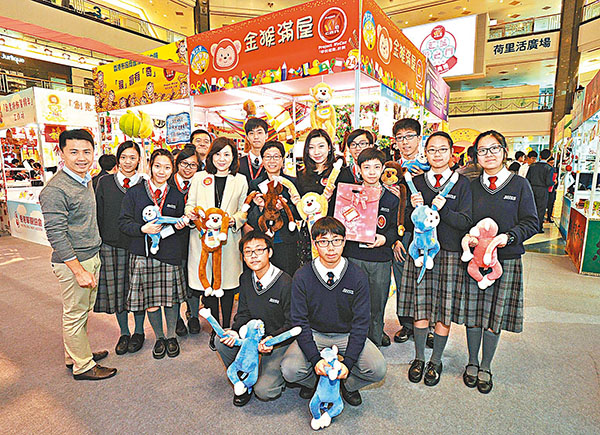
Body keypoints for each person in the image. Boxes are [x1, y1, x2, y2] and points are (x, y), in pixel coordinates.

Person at [459, 130, 538, 394]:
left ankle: (486, 366)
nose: (489, 154)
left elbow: (532, 222)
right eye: (482, 150)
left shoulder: (520, 185)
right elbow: (465, 219)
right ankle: (472, 361)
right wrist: (468, 236)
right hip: (476, 260)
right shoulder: (471, 186)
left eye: (494, 148)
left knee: (495, 314)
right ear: (476, 156)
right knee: (473, 313)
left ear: (504, 151)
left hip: (506, 260)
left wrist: (509, 236)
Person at [281, 217, 386, 407]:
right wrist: (315, 360)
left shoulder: (357, 275)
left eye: (336, 240)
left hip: (346, 334)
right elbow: (299, 321)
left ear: (344, 242)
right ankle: (316, 382)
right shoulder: (302, 275)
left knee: (377, 369)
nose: (330, 248)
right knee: (290, 370)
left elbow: (361, 322)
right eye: (323, 241)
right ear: (315, 244)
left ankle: (346, 384)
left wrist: (348, 363)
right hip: (315, 333)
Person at [39, 129, 116, 380]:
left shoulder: (85, 180)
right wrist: (78, 270)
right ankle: (83, 366)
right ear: (61, 153)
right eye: (73, 152)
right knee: (74, 314)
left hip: (89, 256)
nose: (81, 157)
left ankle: (75, 355)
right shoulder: (55, 189)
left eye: (86, 151)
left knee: (81, 312)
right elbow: (56, 235)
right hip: (75, 262)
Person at [397, 131, 472, 387]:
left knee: (443, 310)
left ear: (452, 153)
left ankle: (436, 360)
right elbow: (407, 222)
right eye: (432, 150)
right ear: (425, 153)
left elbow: (465, 220)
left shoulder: (462, 183)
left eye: (442, 149)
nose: (437, 154)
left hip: (449, 253)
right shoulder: (416, 182)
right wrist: (414, 208)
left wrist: (444, 209)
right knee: (420, 306)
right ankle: (419, 357)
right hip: (420, 253)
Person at [119, 149, 188, 359]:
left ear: (172, 169)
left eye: (167, 167)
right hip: (143, 254)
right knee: (150, 301)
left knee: (171, 300)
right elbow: (123, 222)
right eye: (157, 166)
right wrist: (143, 229)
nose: (161, 171)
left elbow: (180, 226)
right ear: (150, 166)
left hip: (170, 253)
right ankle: (159, 337)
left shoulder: (176, 195)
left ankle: (171, 337)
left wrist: (181, 225)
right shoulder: (135, 192)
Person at [215, 231, 294, 406]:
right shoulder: (245, 278)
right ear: (243, 257)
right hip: (252, 339)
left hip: (276, 342)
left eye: (259, 250)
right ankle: (243, 379)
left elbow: (292, 323)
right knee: (221, 339)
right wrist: (235, 331)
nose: (253, 256)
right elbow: (243, 312)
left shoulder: (285, 282)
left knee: (265, 391)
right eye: (248, 252)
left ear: (269, 252)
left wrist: (271, 340)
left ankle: (273, 372)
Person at [185, 137, 248, 351]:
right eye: (218, 154)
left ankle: (226, 327)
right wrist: (192, 214)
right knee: (209, 285)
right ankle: (214, 329)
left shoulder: (240, 180)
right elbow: (189, 205)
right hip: (202, 240)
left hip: (227, 240)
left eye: (227, 154)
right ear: (211, 156)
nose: (222, 159)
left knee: (227, 286)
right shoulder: (199, 177)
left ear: (233, 157)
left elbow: (243, 211)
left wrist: (232, 221)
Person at [94, 141, 146, 356]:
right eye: (123, 157)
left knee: (139, 291)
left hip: (138, 244)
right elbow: (98, 213)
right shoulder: (104, 182)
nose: (127, 162)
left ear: (139, 160)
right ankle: (124, 332)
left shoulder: (145, 183)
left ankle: (139, 332)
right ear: (118, 159)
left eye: (132, 157)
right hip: (111, 244)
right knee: (117, 292)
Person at [343, 148, 398, 348]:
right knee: (353, 302)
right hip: (354, 256)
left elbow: (396, 229)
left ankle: (374, 342)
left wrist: (384, 239)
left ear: (383, 169)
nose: (372, 172)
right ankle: (353, 344)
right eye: (366, 167)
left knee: (377, 303)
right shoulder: (349, 195)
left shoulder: (392, 199)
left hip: (380, 258)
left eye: (376, 167)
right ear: (359, 169)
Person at [389, 118, 426, 345]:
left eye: (409, 136)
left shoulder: (429, 166)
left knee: (425, 278)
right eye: (400, 138)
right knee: (403, 279)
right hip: (401, 234)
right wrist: (395, 238)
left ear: (419, 138)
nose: (405, 142)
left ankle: (427, 326)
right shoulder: (391, 170)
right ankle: (406, 324)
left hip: (425, 234)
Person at [247, 141, 300, 276]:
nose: (272, 161)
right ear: (263, 160)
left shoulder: (292, 182)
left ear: (282, 160)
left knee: (287, 278)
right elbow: (250, 218)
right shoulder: (255, 184)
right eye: (268, 157)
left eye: (276, 156)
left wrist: (283, 208)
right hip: (262, 243)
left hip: (286, 241)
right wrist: (260, 208)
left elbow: (299, 214)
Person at [168, 146, 201, 336]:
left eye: (193, 165)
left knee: (193, 278)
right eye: (184, 164)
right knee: (174, 280)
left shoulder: (201, 183)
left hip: (195, 238)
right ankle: (177, 319)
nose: (188, 168)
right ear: (177, 164)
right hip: (172, 240)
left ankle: (193, 315)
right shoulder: (168, 182)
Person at [294, 129, 338, 266]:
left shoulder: (339, 173)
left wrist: (329, 201)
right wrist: (297, 204)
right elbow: (299, 212)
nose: (316, 152)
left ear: (329, 148)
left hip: (334, 235)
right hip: (309, 236)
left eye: (321, 146)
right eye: (311, 147)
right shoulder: (301, 175)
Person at [526, 149, 554, 233]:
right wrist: (553, 182)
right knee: (541, 209)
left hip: (532, 189)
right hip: (542, 190)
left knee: (531, 208)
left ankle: (530, 226)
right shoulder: (549, 168)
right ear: (548, 157)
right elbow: (548, 182)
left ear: (540, 156)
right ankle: (538, 227)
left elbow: (527, 178)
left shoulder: (532, 166)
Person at [239, 118, 269, 183]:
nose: (256, 137)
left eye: (259, 133)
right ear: (247, 137)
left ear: (266, 135)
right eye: (251, 133)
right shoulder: (239, 163)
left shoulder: (272, 163)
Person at [546, 157, 558, 223]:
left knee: (551, 204)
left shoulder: (554, 169)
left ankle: (549, 217)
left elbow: (556, 178)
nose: (552, 164)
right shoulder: (545, 169)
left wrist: (556, 182)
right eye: (551, 163)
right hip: (545, 189)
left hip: (552, 189)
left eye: (553, 163)